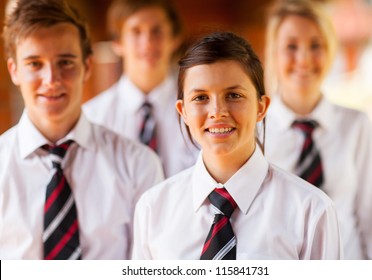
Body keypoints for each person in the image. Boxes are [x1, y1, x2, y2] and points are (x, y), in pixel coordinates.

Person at [131, 31, 342, 260]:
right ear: (183, 112)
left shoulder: (311, 211)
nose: (217, 112)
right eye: (201, 98)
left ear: (261, 107)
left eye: (233, 95)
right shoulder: (152, 209)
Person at [0, 0, 164, 259]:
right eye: (34, 64)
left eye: (65, 62)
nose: (51, 80)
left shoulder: (139, 164)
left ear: (87, 66)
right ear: (14, 70)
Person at [262, 0, 372, 259]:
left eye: (315, 45)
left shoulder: (356, 126)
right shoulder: (254, 131)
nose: (304, 59)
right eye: (291, 46)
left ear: (331, 50)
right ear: (273, 53)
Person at [83, 0, 197, 177]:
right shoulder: (92, 118)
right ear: (117, 43)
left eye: (157, 31)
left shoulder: (200, 110)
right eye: (136, 32)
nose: (148, 42)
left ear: (175, 38)